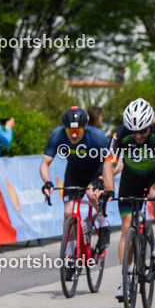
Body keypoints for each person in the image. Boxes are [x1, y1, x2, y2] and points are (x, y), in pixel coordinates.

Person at [99, 98, 155, 301]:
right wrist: (109, 189)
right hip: (131, 178)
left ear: (150, 125)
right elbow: (108, 164)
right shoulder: (120, 133)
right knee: (126, 228)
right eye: (134, 132)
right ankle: (127, 278)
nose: (138, 136)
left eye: (142, 131)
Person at [39, 106, 111, 260]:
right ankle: (70, 255)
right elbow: (45, 163)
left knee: (92, 195)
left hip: (96, 170)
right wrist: (47, 182)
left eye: (77, 131)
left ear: (85, 127)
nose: (73, 135)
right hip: (74, 172)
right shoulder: (57, 135)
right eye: (69, 131)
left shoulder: (97, 137)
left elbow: (110, 162)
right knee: (67, 212)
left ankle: (104, 225)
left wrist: (101, 180)